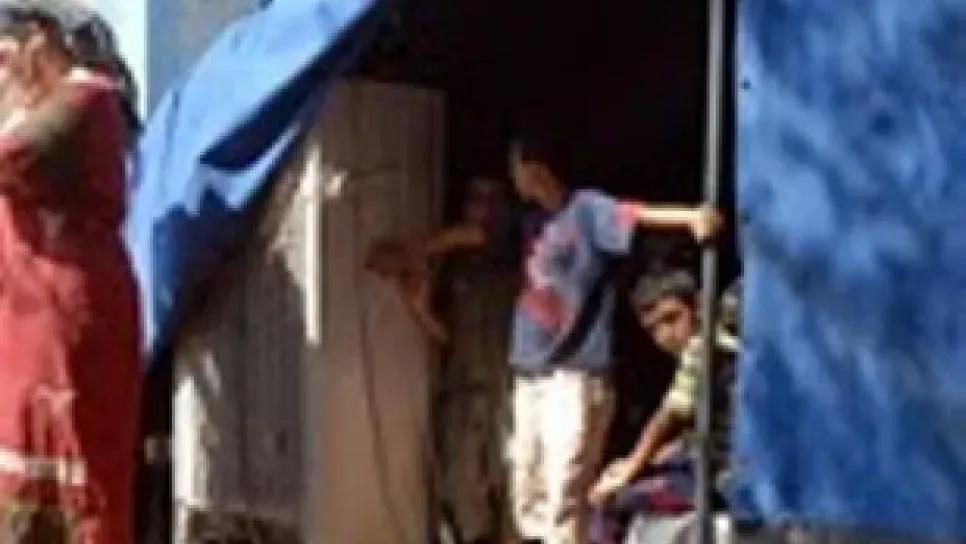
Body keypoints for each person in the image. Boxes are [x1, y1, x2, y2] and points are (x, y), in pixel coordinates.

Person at [503, 136, 721, 544]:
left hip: (574, 373)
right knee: (526, 490)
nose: (512, 176)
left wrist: (690, 217)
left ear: (534, 168)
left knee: (564, 490)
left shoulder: (585, 209)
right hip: (530, 371)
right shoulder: (528, 221)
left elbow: (633, 214)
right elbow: (479, 235)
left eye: (516, 166)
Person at [0, 5, 141, 543]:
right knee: (27, 460)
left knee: (78, 459)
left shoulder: (88, 97)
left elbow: (13, 156)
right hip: (28, 325)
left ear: (39, 41)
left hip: (71, 323)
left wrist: (10, 103)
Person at [366, 177, 519, 544]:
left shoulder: (512, 248)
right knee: (460, 487)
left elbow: (474, 236)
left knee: (511, 484)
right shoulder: (457, 268)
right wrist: (417, 308)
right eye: (473, 197)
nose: (478, 206)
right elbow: (446, 334)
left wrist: (410, 253)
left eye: (489, 198)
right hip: (462, 386)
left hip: (507, 386)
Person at [586, 268, 741, 542]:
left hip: (719, 474)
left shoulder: (704, 347)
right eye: (653, 329)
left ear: (698, 306)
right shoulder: (728, 342)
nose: (665, 335)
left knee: (611, 503)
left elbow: (668, 415)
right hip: (711, 460)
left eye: (672, 318)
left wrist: (631, 466)